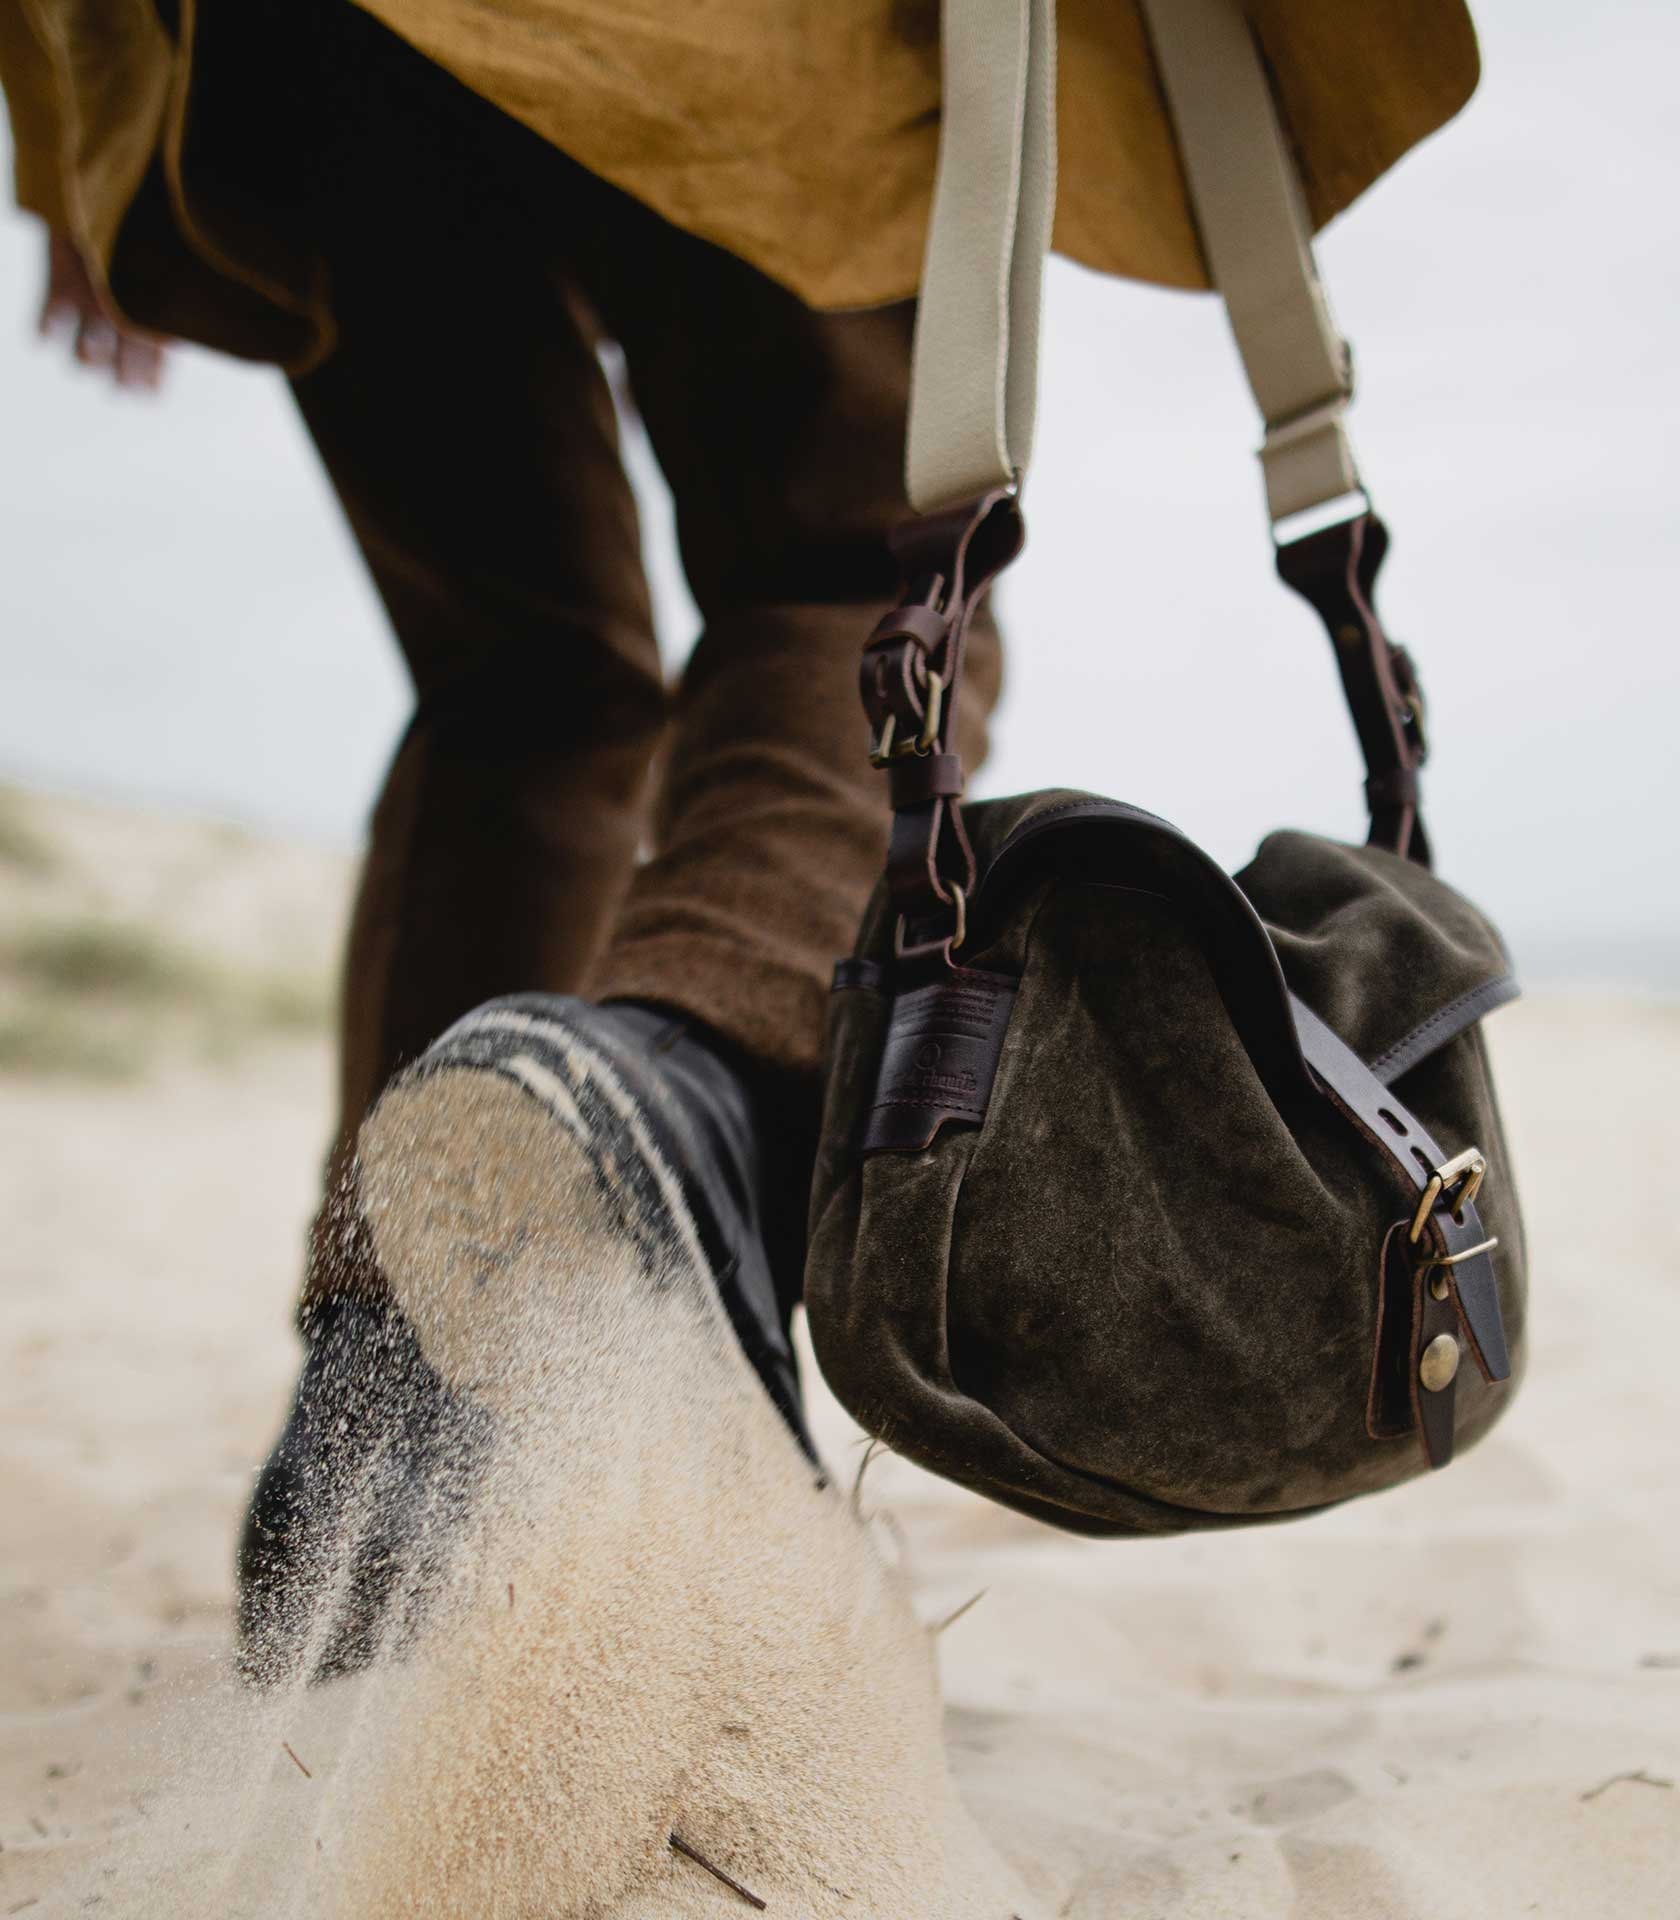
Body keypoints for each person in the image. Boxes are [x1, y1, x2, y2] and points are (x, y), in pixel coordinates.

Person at [2, 0, 1481, 1679]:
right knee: (849, 570)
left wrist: (77, 127)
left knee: (523, 685)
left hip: (269, 44)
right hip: (727, 33)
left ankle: (387, 1405)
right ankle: (679, 1105)